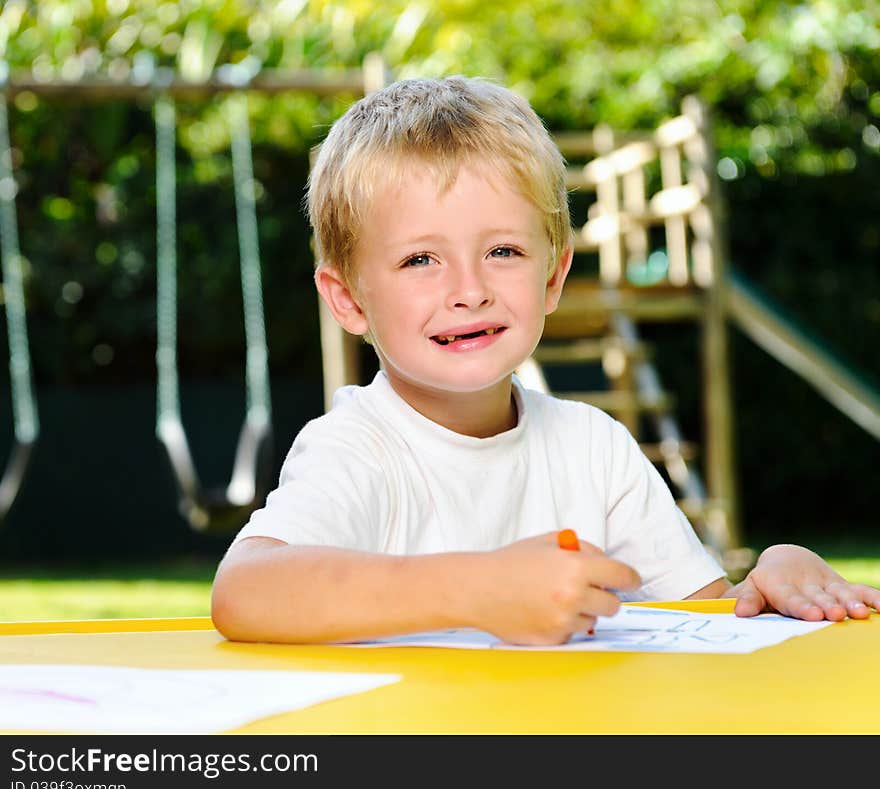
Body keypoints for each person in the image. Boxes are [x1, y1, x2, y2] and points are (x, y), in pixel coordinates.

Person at [211, 76, 880, 645]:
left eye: (502, 251)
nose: (469, 289)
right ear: (349, 299)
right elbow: (244, 592)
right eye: (421, 258)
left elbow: (697, 623)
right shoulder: (357, 450)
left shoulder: (597, 449)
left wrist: (768, 583)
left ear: (553, 278)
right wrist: (477, 586)